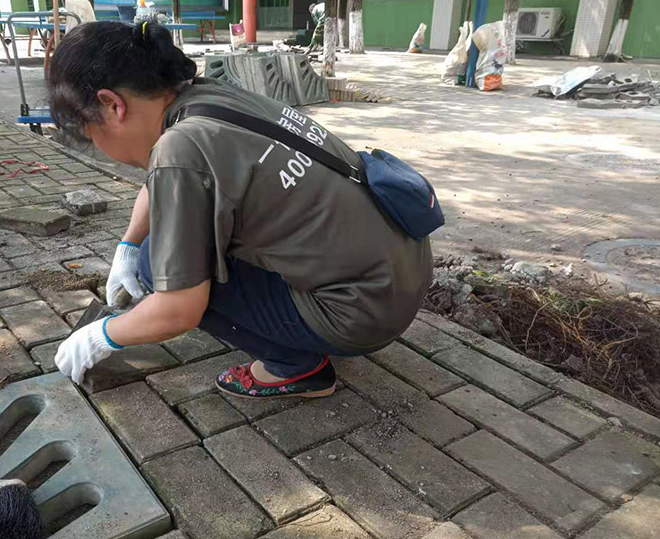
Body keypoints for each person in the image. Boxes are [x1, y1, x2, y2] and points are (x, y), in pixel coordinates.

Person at [51, 21, 432, 399]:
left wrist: (102, 336)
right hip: (399, 276)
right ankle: (305, 326)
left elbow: (177, 311)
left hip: (362, 316)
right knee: (155, 250)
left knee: (159, 266)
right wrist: (129, 244)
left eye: (90, 134)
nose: (100, 148)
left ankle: (296, 368)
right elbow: (164, 181)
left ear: (112, 104)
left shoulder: (180, 148)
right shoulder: (205, 97)